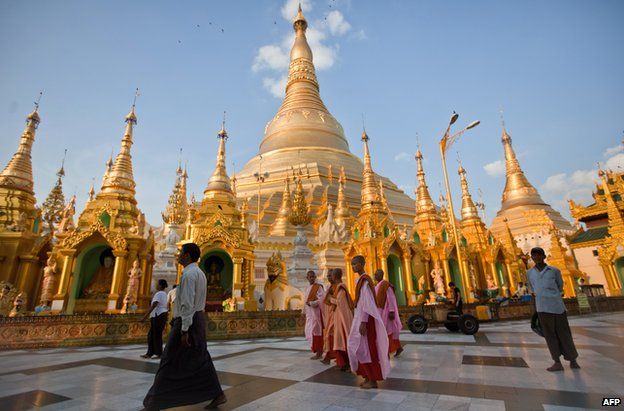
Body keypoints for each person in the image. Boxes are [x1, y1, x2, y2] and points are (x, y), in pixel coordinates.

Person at [143, 243, 226, 410]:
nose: (178, 255)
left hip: (188, 322)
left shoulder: (188, 275)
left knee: (168, 360)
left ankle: (154, 402)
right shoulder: (200, 273)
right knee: (200, 358)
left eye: (181, 253)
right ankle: (217, 394)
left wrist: (184, 330)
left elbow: (187, 304)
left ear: (187, 256)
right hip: (197, 319)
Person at [527, 247, 580, 372]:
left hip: (557, 306)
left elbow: (560, 286)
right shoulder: (530, 273)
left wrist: (552, 294)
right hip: (542, 307)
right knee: (549, 335)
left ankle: (572, 359)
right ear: (532, 258)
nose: (536, 258)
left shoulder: (554, 271)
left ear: (544, 256)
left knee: (564, 334)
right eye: (534, 256)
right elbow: (532, 289)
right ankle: (557, 362)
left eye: (539, 255)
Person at [347, 256, 390, 389]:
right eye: (352, 264)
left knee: (368, 349)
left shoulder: (365, 281)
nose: (353, 266)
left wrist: (364, 322)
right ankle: (367, 375)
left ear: (361, 264)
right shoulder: (360, 280)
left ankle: (373, 379)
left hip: (365, 319)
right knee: (358, 347)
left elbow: (367, 303)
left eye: (355, 264)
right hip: (360, 318)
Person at [374, 269, 403, 358]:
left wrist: (391, 311)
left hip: (386, 312)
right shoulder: (377, 286)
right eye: (375, 274)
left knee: (387, 332)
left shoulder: (386, 285)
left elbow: (391, 298)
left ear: (381, 275)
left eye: (377, 274)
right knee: (384, 332)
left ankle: (386, 352)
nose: (375, 276)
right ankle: (397, 348)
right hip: (380, 311)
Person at [328, 268, 354, 371]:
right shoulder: (338, 287)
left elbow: (340, 303)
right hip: (338, 317)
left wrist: (330, 298)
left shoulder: (342, 288)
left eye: (332, 275)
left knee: (344, 339)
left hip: (343, 319)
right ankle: (342, 363)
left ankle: (348, 363)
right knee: (339, 340)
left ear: (335, 276)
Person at [141, 279, 169, 359]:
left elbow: (154, 305)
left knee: (155, 335)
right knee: (154, 335)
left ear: (160, 285)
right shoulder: (164, 294)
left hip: (158, 315)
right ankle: (152, 352)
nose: (156, 285)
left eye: (157, 284)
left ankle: (158, 353)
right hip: (162, 314)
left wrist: (145, 316)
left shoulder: (159, 294)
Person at [303, 270, 325, 360]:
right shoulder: (306, 288)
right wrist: (303, 313)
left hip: (316, 315)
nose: (312, 278)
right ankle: (316, 350)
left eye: (313, 276)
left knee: (317, 332)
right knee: (309, 332)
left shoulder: (318, 287)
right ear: (307, 278)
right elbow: (304, 302)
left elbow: (322, 300)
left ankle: (319, 353)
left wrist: (312, 303)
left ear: (315, 277)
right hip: (309, 315)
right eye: (310, 277)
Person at [321, 269, 337, 365]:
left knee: (331, 336)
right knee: (328, 336)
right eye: (328, 276)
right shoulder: (328, 287)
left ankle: (330, 357)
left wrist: (331, 298)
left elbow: (340, 302)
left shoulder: (338, 287)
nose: (329, 277)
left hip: (336, 315)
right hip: (328, 315)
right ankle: (330, 356)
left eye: (330, 275)